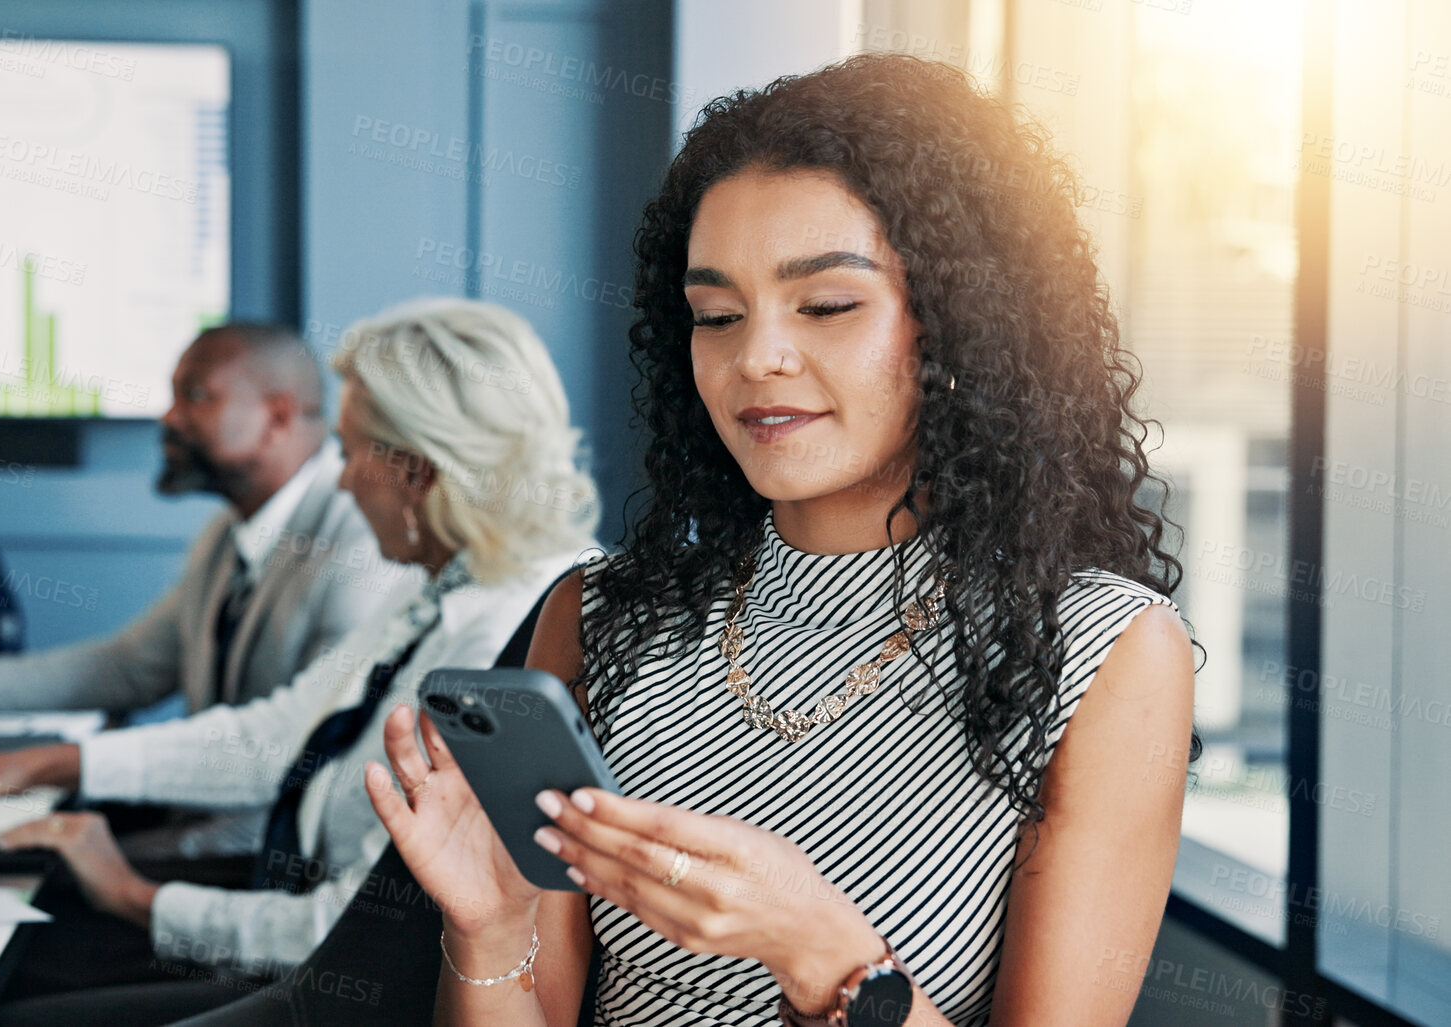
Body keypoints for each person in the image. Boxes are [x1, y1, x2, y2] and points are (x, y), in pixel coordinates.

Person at [367, 55, 1197, 1027]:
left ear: (962, 327)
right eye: (716, 315)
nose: (754, 356)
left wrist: (824, 954)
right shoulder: (601, 617)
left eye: (827, 305)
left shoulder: (1106, 652)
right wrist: (490, 932)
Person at [0, 298, 601, 1024]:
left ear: (416, 472)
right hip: (314, 949)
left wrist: (132, 894)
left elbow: (342, 927)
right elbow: (274, 735)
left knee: (13, 999)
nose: (341, 481)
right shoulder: (442, 588)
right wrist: (41, 763)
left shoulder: (505, 632)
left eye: (348, 454)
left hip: (354, 988)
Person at [0, 323, 411, 720]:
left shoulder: (361, 542)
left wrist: (67, 774)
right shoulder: (226, 540)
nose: (169, 417)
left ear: (277, 416)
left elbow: (288, 748)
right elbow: (130, 667)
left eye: (196, 396)